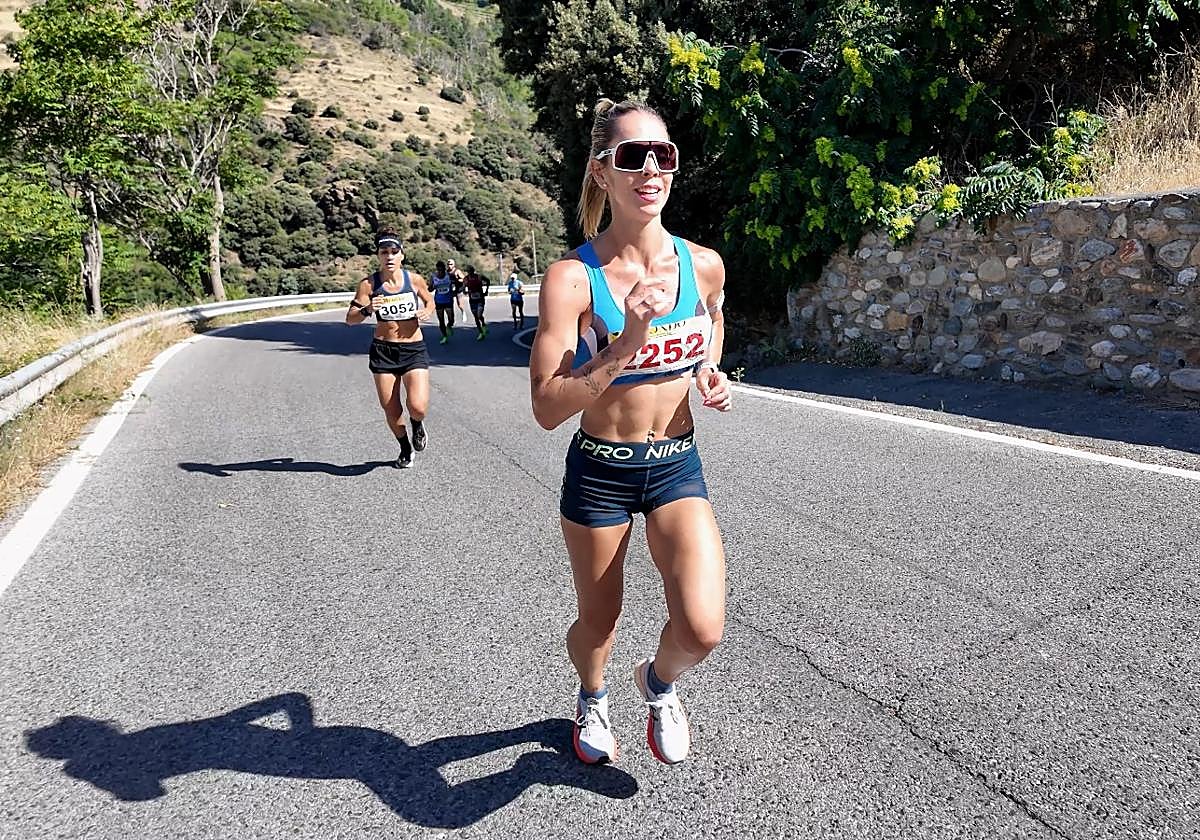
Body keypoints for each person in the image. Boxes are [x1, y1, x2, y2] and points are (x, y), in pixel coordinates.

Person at [529, 99, 731, 767]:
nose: (650, 169)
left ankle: (657, 683)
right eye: (631, 156)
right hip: (600, 471)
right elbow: (547, 406)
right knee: (599, 620)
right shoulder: (573, 280)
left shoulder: (702, 264)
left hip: (676, 463)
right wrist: (627, 343)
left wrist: (707, 367)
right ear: (602, 171)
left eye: (662, 155)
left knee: (703, 626)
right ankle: (592, 695)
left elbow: (713, 317)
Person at [346, 231, 434, 468]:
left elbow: (429, 300)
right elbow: (350, 319)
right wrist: (367, 310)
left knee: (418, 406)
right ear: (378, 256)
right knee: (391, 409)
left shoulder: (414, 280)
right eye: (384, 252)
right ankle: (405, 447)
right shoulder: (368, 285)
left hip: (413, 349)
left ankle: (417, 424)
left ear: (402, 255)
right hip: (383, 351)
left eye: (394, 252)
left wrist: (427, 311)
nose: (389, 256)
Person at [430, 260, 460, 344]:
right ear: (437, 269)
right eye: (438, 270)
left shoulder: (449, 276)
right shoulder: (433, 277)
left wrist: (455, 292)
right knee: (441, 320)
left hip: (448, 300)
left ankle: (449, 326)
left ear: (444, 269)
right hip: (438, 301)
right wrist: (433, 286)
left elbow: (458, 284)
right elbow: (429, 289)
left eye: (442, 270)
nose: (440, 272)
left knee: (451, 319)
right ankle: (444, 336)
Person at [463, 265, 490, 340]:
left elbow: (488, 281)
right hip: (472, 300)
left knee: (479, 315)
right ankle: (481, 332)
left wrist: (486, 290)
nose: (469, 273)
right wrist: (465, 291)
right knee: (476, 317)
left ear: (473, 271)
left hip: (480, 299)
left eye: (470, 271)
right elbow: (463, 288)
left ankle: (483, 324)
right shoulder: (466, 279)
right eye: (468, 272)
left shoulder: (479, 277)